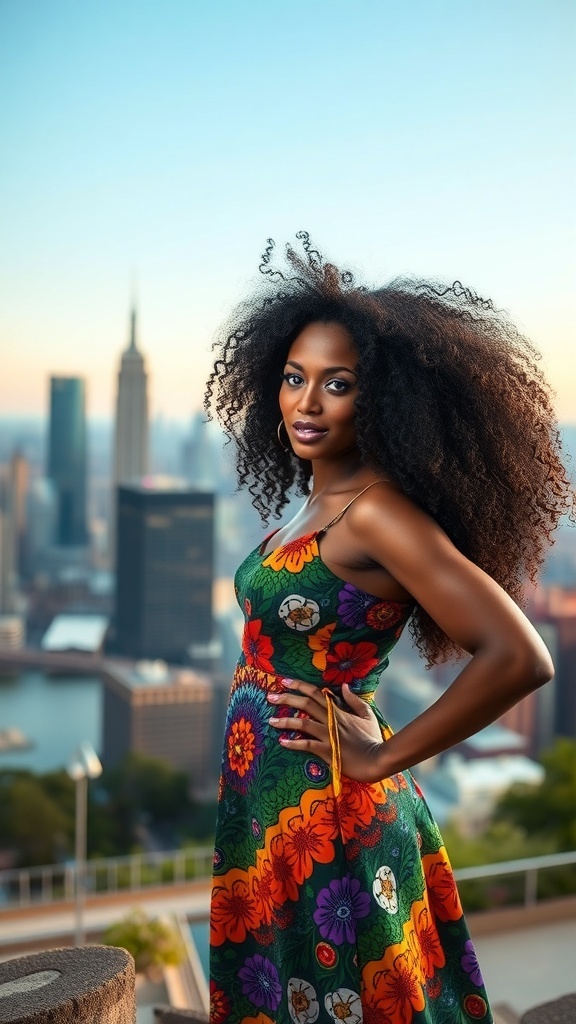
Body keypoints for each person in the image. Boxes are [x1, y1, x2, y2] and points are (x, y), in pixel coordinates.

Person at [204, 232, 572, 1024]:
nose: (307, 402)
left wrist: (381, 757)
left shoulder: (377, 512)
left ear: (380, 399)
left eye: (336, 384)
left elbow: (518, 655)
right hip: (270, 805)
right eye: (295, 378)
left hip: (331, 815)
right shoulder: (312, 503)